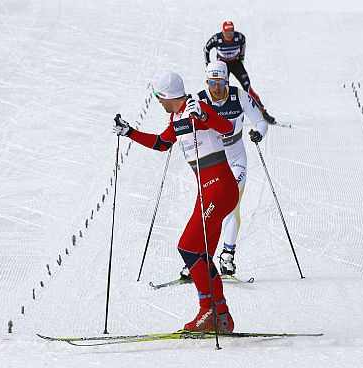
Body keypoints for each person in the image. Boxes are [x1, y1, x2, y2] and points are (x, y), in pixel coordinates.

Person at [112, 71, 239, 332]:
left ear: (167, 95)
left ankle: (210, 311)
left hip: (219, 188)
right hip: (207, 190)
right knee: (201, 254)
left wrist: (204, 116)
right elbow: (161, 143)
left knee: (188, 248)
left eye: (159, 97)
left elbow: (227, 128)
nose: (158, 102)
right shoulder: (178, 117)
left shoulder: (196, 108)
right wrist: (129, 132)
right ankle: (221, 315)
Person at [179, 61, 268, 279]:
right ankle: (199, 258)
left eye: (220, 82)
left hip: (236, 158)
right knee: (207, 209)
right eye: (211, 83)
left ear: (227, 81)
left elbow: (261, 121)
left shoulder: (240, 96)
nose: (216, 88)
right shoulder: (200, 99)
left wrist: (259, 133)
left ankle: (227, 256)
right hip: (212, 162)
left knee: (230, 206)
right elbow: (182, 126)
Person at [203, 21, 276, 125]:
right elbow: (206, 49)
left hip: (236, 64)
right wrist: (208, 65)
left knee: (248, 88)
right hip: (223, 66)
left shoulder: (240, 37)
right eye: (226, 33)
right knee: (222, 90)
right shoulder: (216, 38)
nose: (229, 35)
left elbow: (243, 45)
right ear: (222, 32)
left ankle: (263, 112)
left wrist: (241, 57)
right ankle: (221, 114)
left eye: (231, 33)